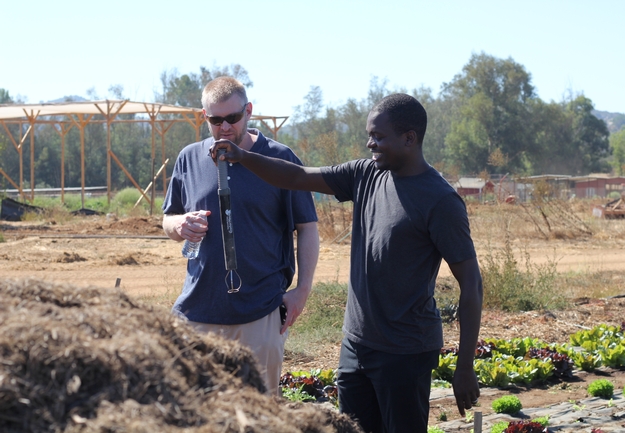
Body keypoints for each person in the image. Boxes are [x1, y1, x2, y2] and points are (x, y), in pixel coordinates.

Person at [210, 93, 483, 433]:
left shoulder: (441, 201)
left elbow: (471, 283)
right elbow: (297, 177)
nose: (370, 144)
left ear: (409, 138)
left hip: (405, 352)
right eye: (370, 135)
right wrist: (242, 157)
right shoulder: (366, 174)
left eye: (378, 137)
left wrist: (465, 366)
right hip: (356, 345)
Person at [162, 76, 320, 395]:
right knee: (198, 410)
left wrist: (302, 290)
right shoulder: (189, 158)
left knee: (260, 411)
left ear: (248, 111)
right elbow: (167, 219)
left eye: (232, 118)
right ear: (204, 117)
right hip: (198, 312)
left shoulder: (279, 158)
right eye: (215, 120)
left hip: (259, 313)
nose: (224, 127)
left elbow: (307, 227)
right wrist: (179, 225)